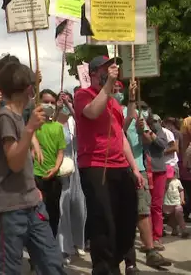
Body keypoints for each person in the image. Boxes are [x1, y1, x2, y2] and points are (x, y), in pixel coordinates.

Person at [0, 61, 65, 274]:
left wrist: (32, 187)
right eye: (33, 86)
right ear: (28, 89)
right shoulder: (4, 118)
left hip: (32, 205)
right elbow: (15, 162)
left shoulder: (18, 117)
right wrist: (30, 130)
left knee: (52, 263)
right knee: (9, 269)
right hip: (9, 210)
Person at [73, 55, 144, 275]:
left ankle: (116, 261)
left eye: (113, 67)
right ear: (94, 73)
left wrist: (133, 167)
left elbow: (120, 134)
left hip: (119, 167)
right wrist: (109, 85)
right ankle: (104, 268)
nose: (112, 70)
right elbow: (92, 112)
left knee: (126, 219)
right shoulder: (83, 95)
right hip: (95, 166)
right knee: (103, 221)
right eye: (106, 67)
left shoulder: (113, 101)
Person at [119, 86, 169, 271]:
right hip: (119, 169)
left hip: (139, 169)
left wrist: (144, 132)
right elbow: (118, 133)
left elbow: (149, 141)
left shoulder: (141, 116)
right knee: (123, 216)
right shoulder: (117, 111)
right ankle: (128, 261)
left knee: (143, 211)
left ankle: (150, 252)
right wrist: (129, 120)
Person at [55, 91, 87, 264]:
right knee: (63, 206)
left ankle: (77, 241)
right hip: (61, 166)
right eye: (60, 98)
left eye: (66, 98)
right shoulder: (54, 120)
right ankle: (63, 247)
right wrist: (58, 113)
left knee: (79, 206)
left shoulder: (75, 120)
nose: (63, 100)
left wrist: (69, 107)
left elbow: (85, 126)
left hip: (78, 165)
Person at [137, 104, 169, 251]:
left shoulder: (156, 125)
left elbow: (163, 145)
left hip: (158, 171)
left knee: (156, 205)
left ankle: (156, 237)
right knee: (145, 207)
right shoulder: (135, 125)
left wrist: (150, 132)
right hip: (143, 170)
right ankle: (147, 240)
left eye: (144, 110)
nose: (142, 113)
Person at [34, 89, 65, 237]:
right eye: (46, 102)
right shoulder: (33, 125)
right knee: (38, 215)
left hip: (54, 177)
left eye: (52, 102)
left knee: (53, 214)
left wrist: (55, 168)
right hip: (36, 176)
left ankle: (51, 243)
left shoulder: (58, 127)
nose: (49, 105)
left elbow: (60, 152)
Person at [163, 165, 188, 238]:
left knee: (179, 214)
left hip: (177, 202)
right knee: (172, 218)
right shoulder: (164, 182)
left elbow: (181, 190)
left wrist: (182, 199)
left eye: (171, 175)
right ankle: (174, 229)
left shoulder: (177, 181)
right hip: (167, 203)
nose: (169, 177)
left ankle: (184, 230)